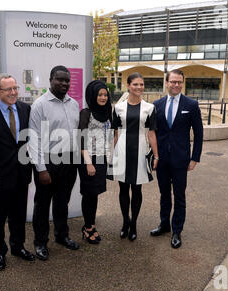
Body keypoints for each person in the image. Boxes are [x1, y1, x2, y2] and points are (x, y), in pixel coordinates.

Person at [0, 73, 35, 271]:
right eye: (8, 89)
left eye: (15, 88)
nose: (13, 93)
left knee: (19, 214)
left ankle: (18, 247)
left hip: (21, 172)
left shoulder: (25, 108)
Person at [29, 65, 80, 261]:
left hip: (69, 161)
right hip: (48, 162)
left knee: (62, 202)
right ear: (50, 80)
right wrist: (41, 169)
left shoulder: (74, 104)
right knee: (42, 205)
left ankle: (61, 236)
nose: (64, 83)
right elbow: (34, 140)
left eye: (67, 80)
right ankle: (40, 242)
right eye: (60, 79)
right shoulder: (40, 105)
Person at [150, 69, 203, 249]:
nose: (176, 85)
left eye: (179, 82)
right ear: (166, 83)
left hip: (181, 160)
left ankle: (176, 231)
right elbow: (152, 133)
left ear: (182, 83)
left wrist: (195, 157)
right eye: (173, 82)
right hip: (162, 159)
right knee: (164, 194)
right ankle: (164, 225)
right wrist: (153, 156)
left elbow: (199, 133)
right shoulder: (156, 104)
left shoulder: (191, 104)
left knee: (179, 196)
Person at [111, 72, 159, 241]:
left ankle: (134, 224)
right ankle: (125, 222)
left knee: (137, 189)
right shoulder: (118, 108)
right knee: (123, 189)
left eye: (141, 84)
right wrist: (112, 155)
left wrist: (156, 156)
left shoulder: (149, 108)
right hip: (122, 150)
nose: (139, 87)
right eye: (135, 84)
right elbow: (115, 133)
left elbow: (152, 134)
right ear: (128, 86)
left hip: (139, 150)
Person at [78, 80, 112, 244]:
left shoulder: (107, 112)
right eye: (100, 94)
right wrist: (88, 163)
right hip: (88, 158)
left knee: (95, 193)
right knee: (89, 193)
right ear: (93, 95)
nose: (103, 97)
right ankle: (87, 228)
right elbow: (80, 140)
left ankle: (91, 224)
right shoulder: (86, 112)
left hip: (101, 158)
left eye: (105, 94)